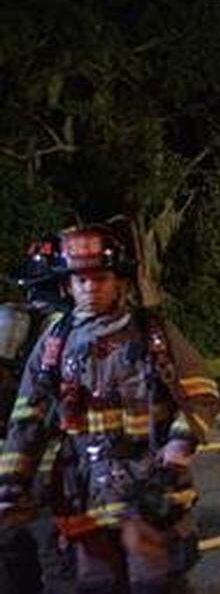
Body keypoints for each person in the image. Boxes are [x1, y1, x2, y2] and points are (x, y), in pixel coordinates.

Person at [0, 225, 220, 594]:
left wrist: (175, 456)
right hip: (83, 496)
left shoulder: (154, 334)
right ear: (67, 286)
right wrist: (10, 487)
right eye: (80, 279)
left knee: (156, 583)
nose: (90, 287)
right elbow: (28, 419)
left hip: (150, 490)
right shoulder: (55, 342)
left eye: (100, 278)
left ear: (119, 282)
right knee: (95, 584)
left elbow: (202, 396)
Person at [0, 238, 75, 594]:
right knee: (60, 566)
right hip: (54, 472)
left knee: (13, 565)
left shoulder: (9, 321)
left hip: (10, 468)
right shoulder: (73, 332)